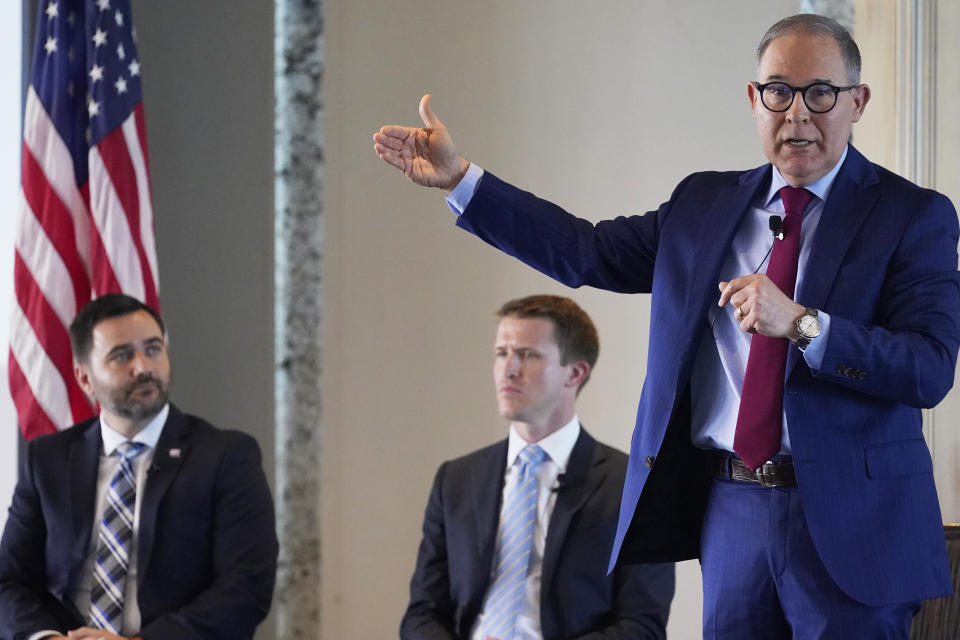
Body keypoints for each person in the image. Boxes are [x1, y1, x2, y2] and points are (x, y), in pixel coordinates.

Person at [374, 13, 960, 639]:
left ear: (857, 101)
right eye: (778, 92)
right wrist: (463, 181)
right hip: (732, 505)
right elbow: (586, 251)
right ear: (752, 100)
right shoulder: (702, 206)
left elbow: (928, 368)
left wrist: (803, 324)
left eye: (820, 93)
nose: (797, 115)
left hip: (855, 519)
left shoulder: (911, 214)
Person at [0, 294, 278, 640]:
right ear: (85, 378)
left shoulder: (227, 456)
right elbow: (9, 581)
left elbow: (246, 588)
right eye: (121, 356)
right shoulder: (48, 459)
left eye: (153, 349)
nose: (143, 367)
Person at [400, 295, 674, 640]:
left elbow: (642, 626)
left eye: (528, 355)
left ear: (574, 373)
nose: (509, 369)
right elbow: (422, 614)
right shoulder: (455, 480)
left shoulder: (632, 487)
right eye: (502, 353)